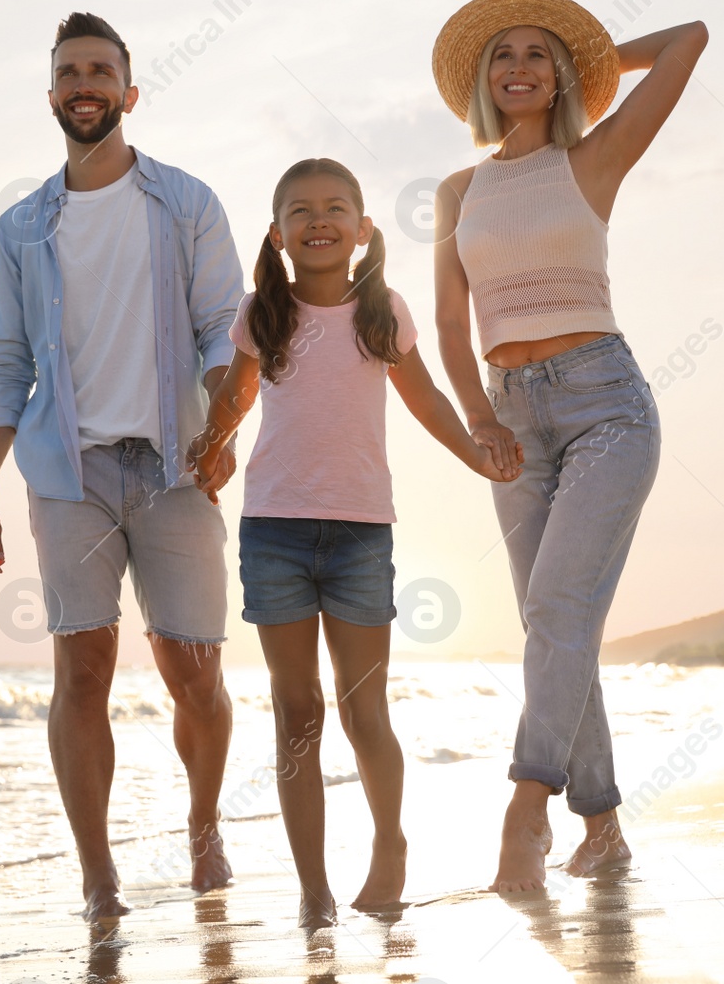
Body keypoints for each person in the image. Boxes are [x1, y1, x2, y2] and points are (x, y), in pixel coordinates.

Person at [0, 12, 245, 921]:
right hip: (67, 472)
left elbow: (223, 328)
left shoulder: (188, 202)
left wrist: (225, 422)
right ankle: (99, 875)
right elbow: (6, 360)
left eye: (101, 70)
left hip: (177, 466)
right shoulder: (22, 227)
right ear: (52, 96)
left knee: (193, 670)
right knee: (80, 670)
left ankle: (203, 824)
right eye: (69, 72)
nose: (85, 84)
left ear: (130, 91)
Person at [429, 0, 708, 892]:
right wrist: (477, 416)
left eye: (537, 56)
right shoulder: (458, 190)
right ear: (482, 78)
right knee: (557, 622)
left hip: (606, 406)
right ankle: (605, 829)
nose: (518, 67)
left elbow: (689, 40)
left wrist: (595, 59)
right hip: (510, 416)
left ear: (558, 79)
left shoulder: (596, 158)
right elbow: (446, 317)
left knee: (555, 609)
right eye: (503, 55)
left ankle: (525, 808)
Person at [189, 158, 514, 926]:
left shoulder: (383, 310)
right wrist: (211, 443)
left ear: (364, 230)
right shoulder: (260, 313)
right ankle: (313, 890)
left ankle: (390, 843)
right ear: (278, 234)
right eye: (301, 210)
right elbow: (234, 395)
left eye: (337, 207)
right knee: (296, 711)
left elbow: (427, 397)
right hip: (273, 531)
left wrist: (477, 452)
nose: (319, 219)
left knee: (365, 710)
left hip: (362, 533)